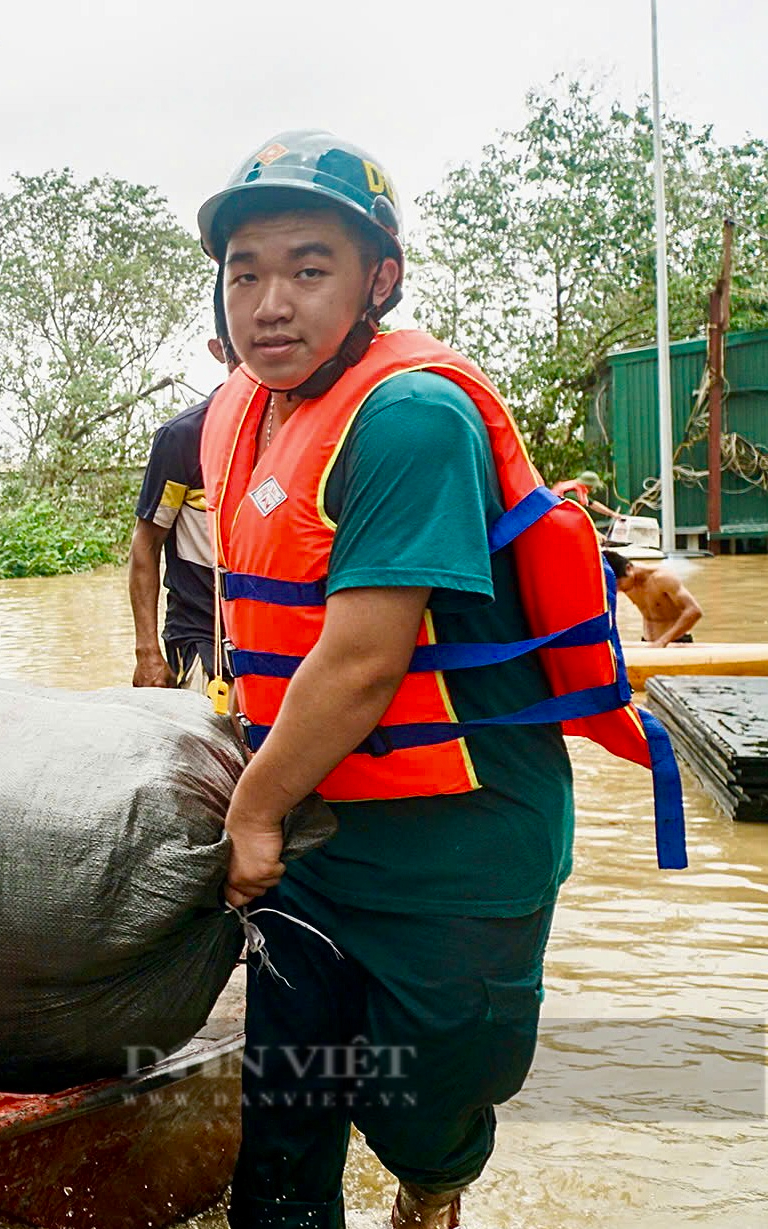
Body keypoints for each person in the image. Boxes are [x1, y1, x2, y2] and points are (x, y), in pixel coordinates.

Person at [196, 131, 672, 1229]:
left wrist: (252, 810)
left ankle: (430, 1191)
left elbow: (362, 659)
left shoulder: (409, 412)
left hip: (455, 836)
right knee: (287, 1109)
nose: (269, 302)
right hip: (314, 830)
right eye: (245, 271)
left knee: (424, 1102)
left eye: (308, 268)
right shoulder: (237, 412)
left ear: (379, 279)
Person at [130, 287, 237, 692]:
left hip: (278, 635)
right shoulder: (183, 438)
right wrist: (147, 652)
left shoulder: (301, 431)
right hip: (202, 637)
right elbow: (146, 544)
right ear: (218, 349)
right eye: (238, 350)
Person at [604, 550, 702, 645]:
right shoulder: (627, 582)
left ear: (629, 569)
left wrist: (663, 641)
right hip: (647, 642)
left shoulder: (662, 578)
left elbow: (694, 610)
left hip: (674, 642)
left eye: (619, 584)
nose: (618, 590)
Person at [551, 470, 620, 520]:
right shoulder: (571, 495)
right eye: (593, 486)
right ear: (588, 485)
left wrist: (613, 514)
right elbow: (577, 518)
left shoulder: (578, 488)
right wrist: (597, 534)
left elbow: (593, 504)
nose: (593, 488)